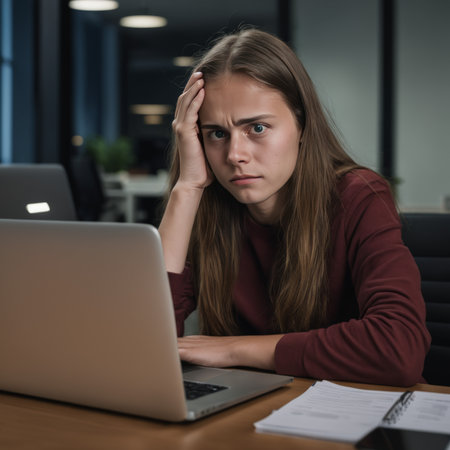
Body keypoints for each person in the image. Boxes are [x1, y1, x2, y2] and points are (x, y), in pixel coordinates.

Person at [158, 28, 430, 386]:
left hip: (347, 409)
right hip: (247, 410)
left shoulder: (359, 196)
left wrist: (234, 350)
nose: (235, 155)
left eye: (256, 127)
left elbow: (398, 349)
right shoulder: (206, 205)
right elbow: (142, 340)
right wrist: (186, 188)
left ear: (301, 125)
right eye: (217, 134)